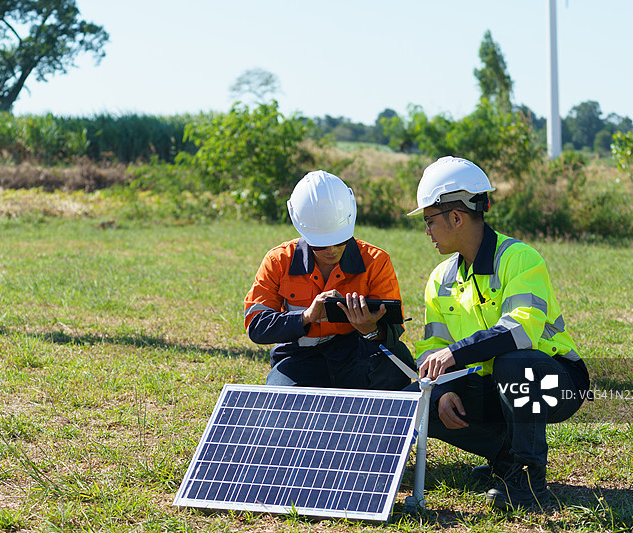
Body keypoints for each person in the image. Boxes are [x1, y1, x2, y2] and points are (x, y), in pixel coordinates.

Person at [408, 156, 590, 510]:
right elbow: (433, 346)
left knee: (514, 362)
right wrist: (442, 390)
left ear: (456, 217)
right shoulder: (439, 278)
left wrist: (455, 354)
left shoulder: (519, 258)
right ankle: (505, 458)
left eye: (430, 221)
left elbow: (521, 332)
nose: (427, 231)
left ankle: (527, 480)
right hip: (492, 386)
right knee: (422, 396)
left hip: (553, 381)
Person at [244, 170, 415, 390]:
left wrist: (369, 329)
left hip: (359, 353)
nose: (331, 250)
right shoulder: (278, 260)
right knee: (282, 400)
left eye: (340, 240)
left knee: (393, 373)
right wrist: (306, 317)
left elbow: (393, 329)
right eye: (320, 244)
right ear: (300, 227)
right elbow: (256, 326)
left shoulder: (376, 261)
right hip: (299, 359)